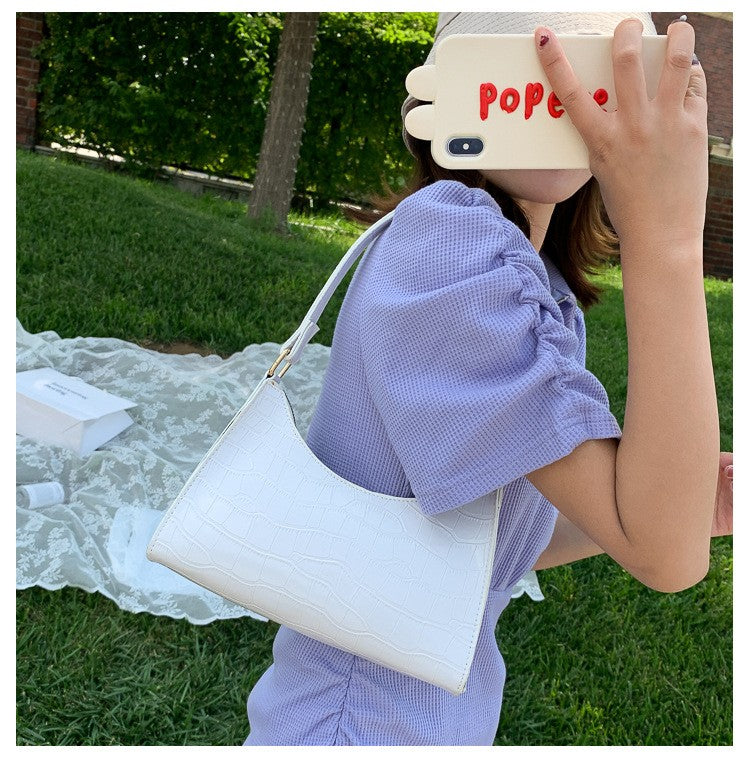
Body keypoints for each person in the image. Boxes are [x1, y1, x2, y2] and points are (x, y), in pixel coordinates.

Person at [242, 12, 733, 746]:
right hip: (361, 723)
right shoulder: (453, 243)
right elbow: (669, 559)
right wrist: (665, 236)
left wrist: (656, 509)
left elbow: (483, 540)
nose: (562, 93)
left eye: (595, 72)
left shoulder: (515, 271)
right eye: (531, 68)